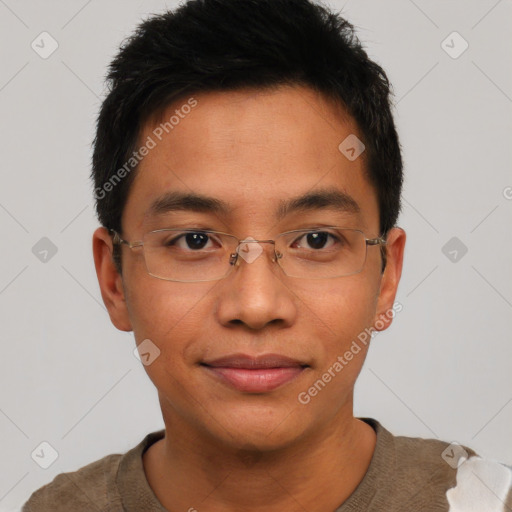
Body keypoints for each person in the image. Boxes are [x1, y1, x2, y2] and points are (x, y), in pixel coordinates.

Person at [23, 0, 512, 510]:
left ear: (387, 277)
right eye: (194, 240)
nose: (256, 306)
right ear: (114, 279)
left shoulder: (481, 501)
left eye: (317, 240)